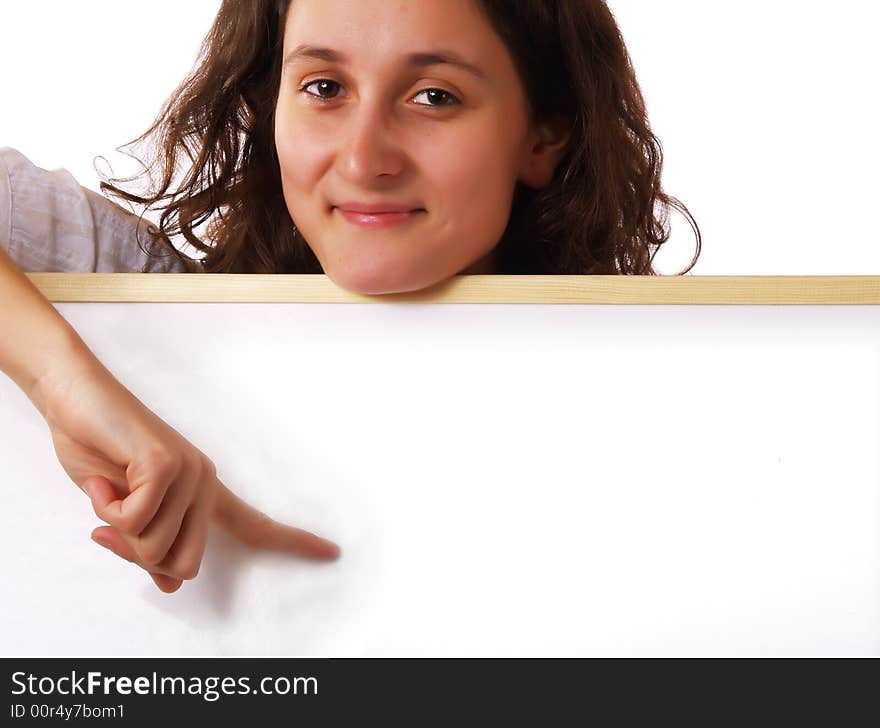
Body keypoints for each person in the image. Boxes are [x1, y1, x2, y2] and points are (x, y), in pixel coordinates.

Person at [0, 0, 701, 593]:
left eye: (434, 96)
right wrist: (66, 384)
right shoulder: (147, 309)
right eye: (324, 88)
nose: (365, 160)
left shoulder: (677, 404)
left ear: (541, 140)